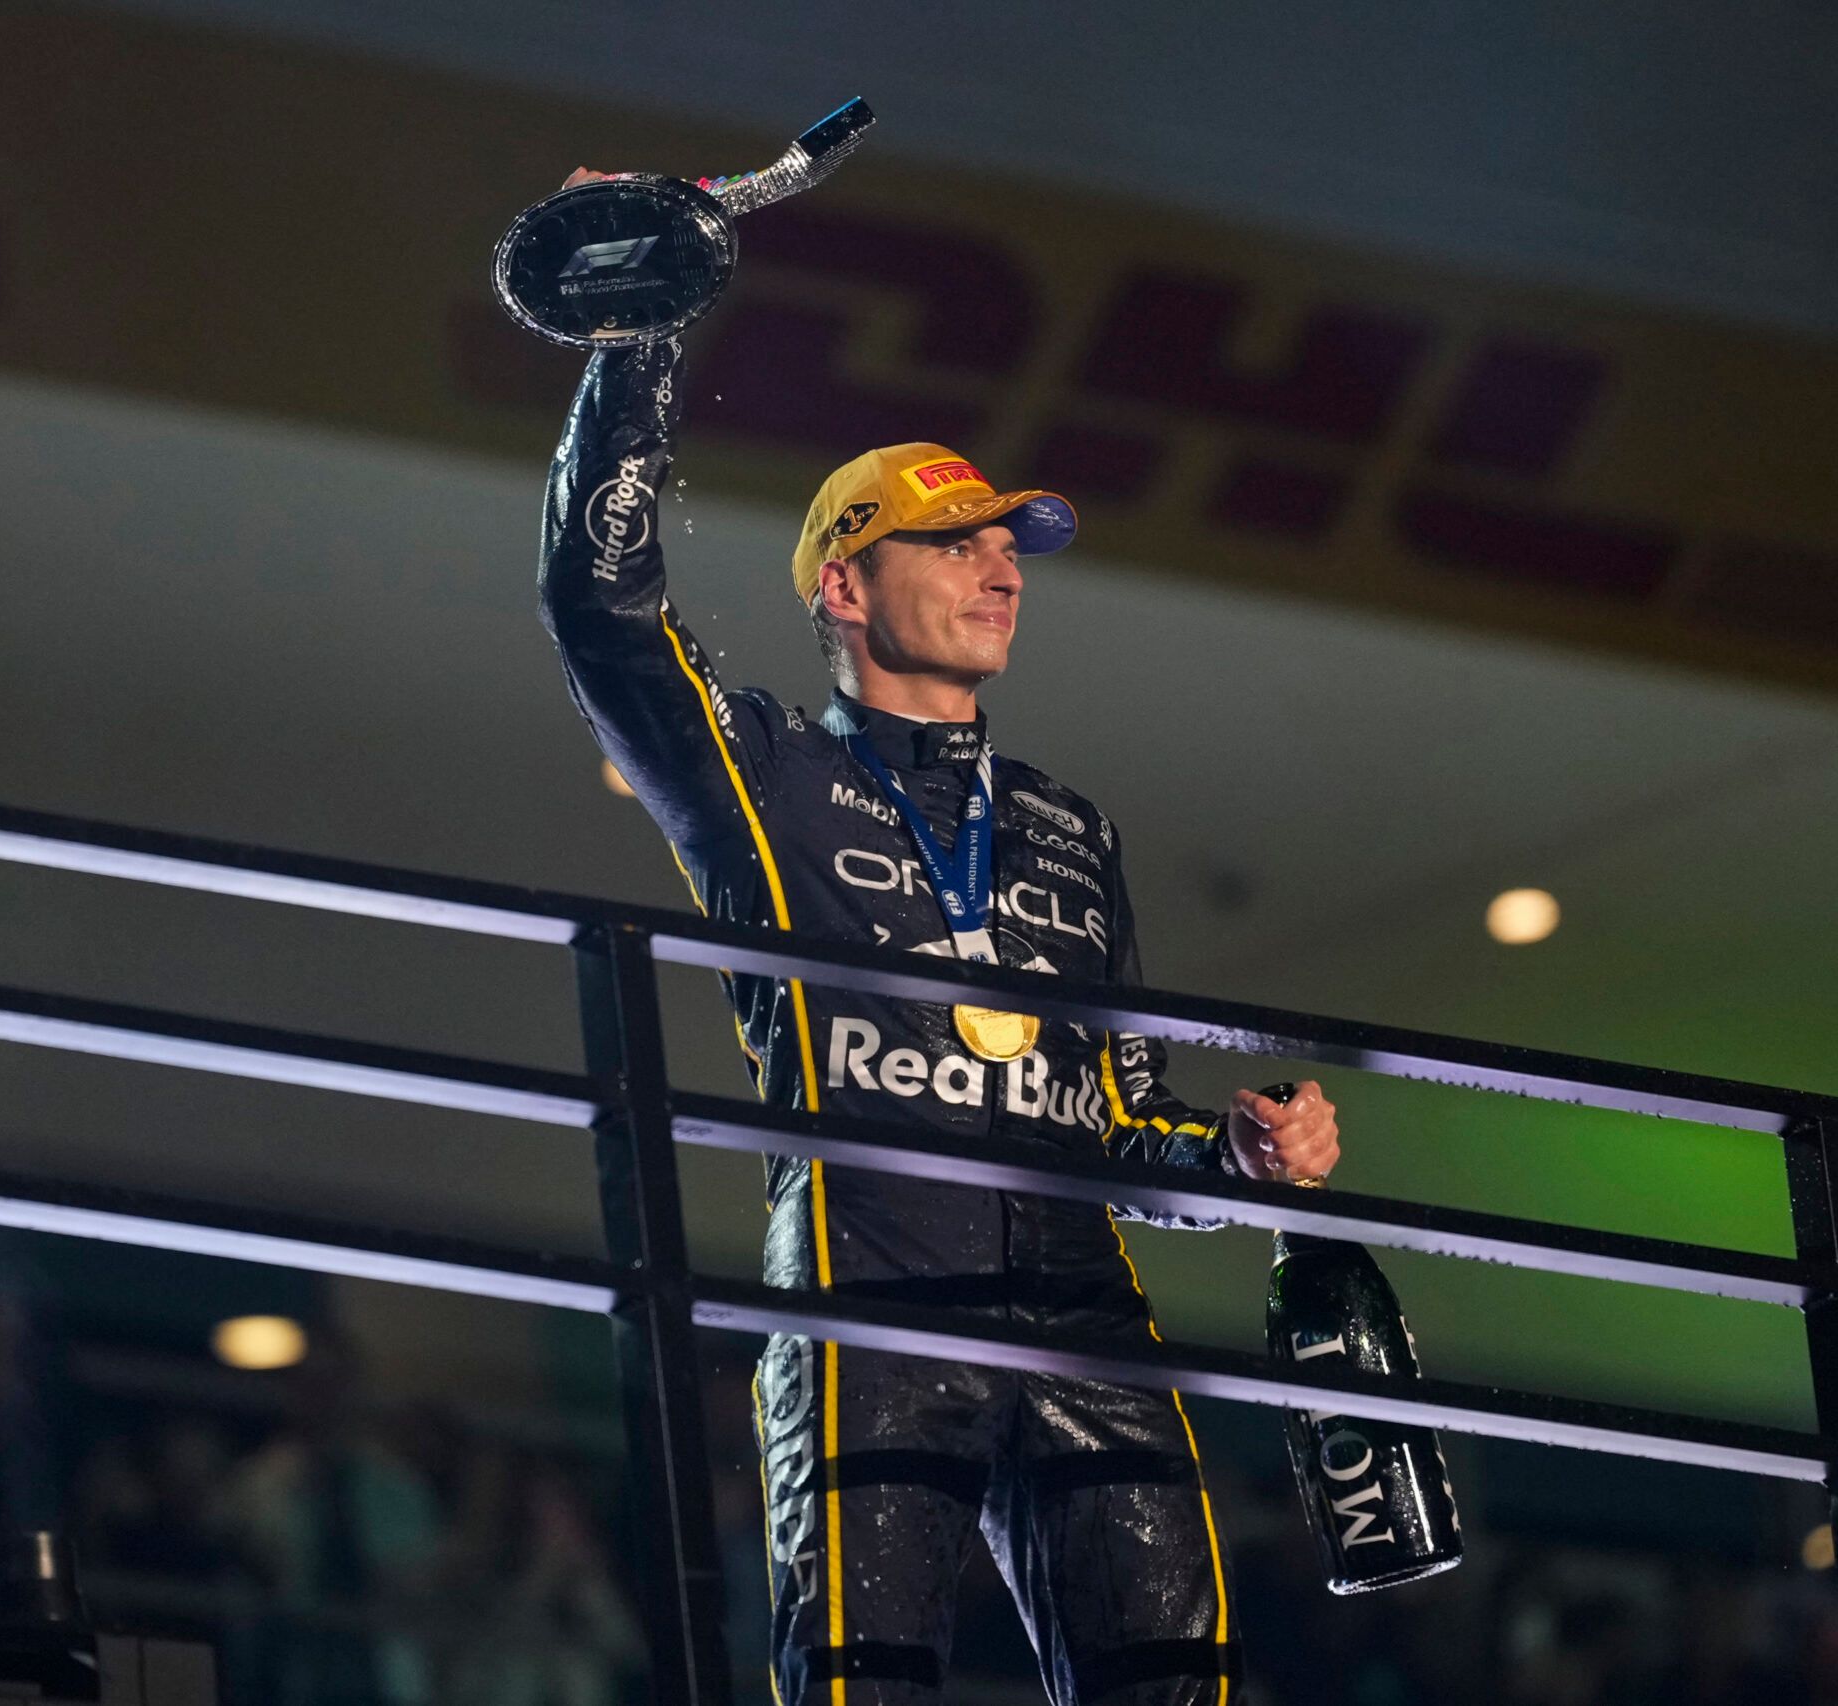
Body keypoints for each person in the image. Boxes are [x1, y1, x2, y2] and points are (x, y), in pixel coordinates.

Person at [536, 171, 1342, 1706]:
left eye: (1008, 543)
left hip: (1087, 1316)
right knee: (863, 1677)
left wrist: (1236, 1156)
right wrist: (638, 340)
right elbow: (602, 611)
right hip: (868, 1292)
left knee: (1178, 1685)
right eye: (956, 540)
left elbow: (1120, 1121)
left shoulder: (1070, 826)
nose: (1002, 566)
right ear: (845, 584)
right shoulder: (765, 771)